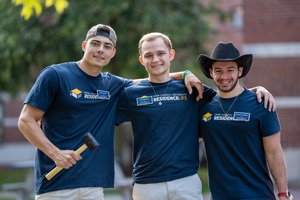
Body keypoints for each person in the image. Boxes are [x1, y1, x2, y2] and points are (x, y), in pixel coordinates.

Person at [17, 24, 202, 200]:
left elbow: (153, 78)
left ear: (112, 53)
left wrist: (185, 74)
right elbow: (26, 121)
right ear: (84, 46)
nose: (100, 50)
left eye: (107, 46)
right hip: (56, 184)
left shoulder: (112, 84)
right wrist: (55, 153)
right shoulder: (56, 75)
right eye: (95, 44)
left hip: (94, 185)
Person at [116, 33, 276, 200]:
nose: (155, 59)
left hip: (186, 181)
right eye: (148, 55)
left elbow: (227, 96)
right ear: (141, 59)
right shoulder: (130, 93)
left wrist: (257, 90)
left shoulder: (192, 89)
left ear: (171, 55)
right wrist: (184, 72)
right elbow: (103, 116)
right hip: (147, 184)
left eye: (160, 53)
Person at [197, 42, 293, 200]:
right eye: (218, 70)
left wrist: (283, 193)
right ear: (211, 72)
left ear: (240, 71)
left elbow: (274, 154)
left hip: (258, 195)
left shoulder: (261, 104)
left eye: (230, 70)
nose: (224, 76)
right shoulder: (204, 106)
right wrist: (185, 74)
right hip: (221, 197)